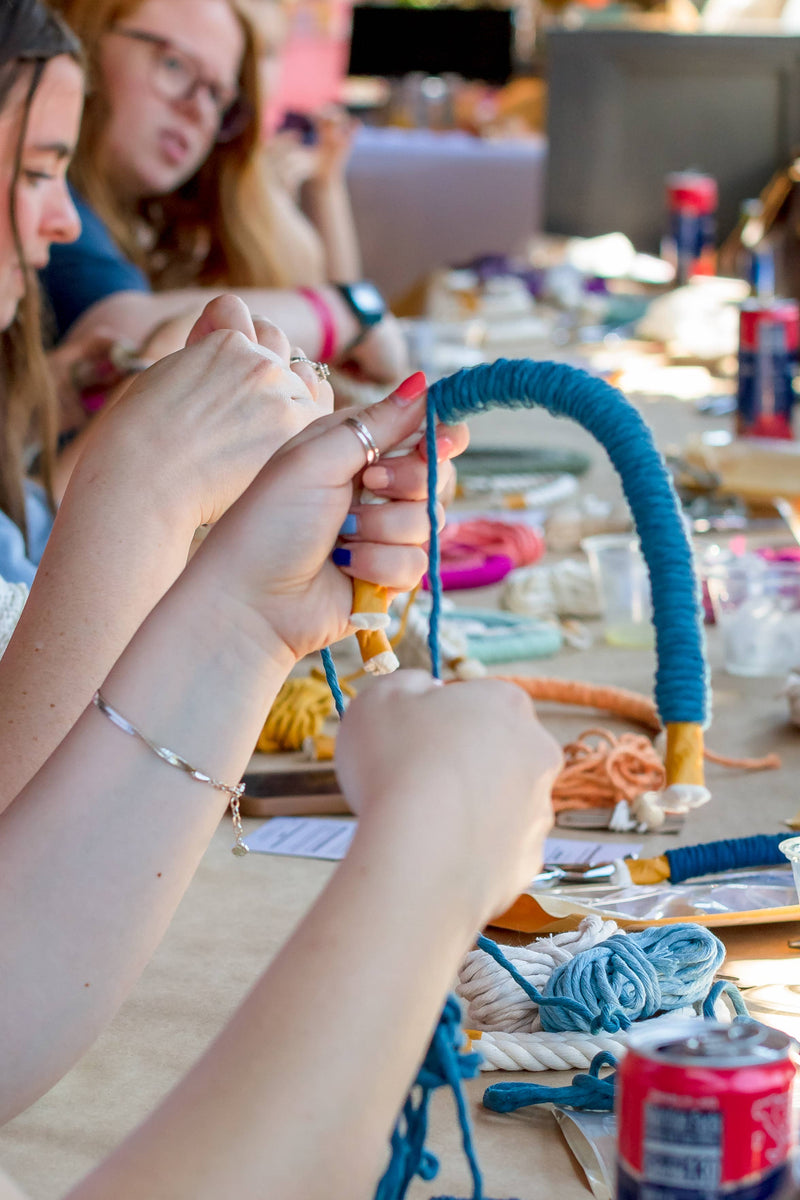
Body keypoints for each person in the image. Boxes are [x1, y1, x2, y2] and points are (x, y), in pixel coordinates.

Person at [41, 0, 408, 393]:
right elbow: (118, 339)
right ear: (83, 43)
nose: (198, 109)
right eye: (173, 64)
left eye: (217, 95)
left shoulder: (158, 223)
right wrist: (347, 312)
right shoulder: (47, 198)